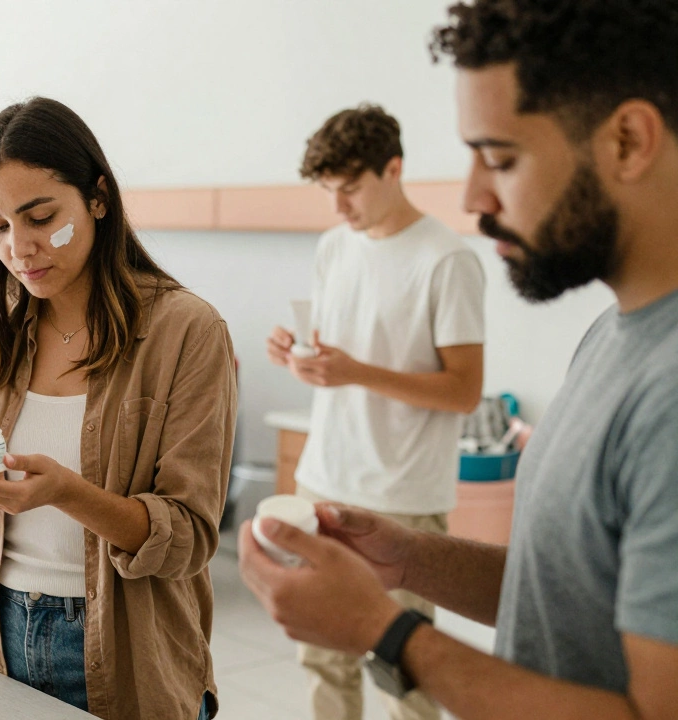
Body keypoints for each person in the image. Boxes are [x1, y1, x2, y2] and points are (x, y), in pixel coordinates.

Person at [240, 2, 678, 719]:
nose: (474, 197)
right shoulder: (612, 334)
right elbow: (564, 588)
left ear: (628, 140)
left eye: (500, 158)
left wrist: (388, 635)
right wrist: (411, 560)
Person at [0, 97, 235, 720]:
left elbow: (189, 537)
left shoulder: (184, 331)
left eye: (40, 217)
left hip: (129, 654)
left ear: (97, 198)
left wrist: (67, 493)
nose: (21, 247)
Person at [264, 104, 485, 720]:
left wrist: (356, 371)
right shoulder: (335, 247)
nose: (338, 207)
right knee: (323, 656)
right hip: (325, 477)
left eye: (350, 189)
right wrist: (296, 353)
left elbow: (464, 391)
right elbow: (338, 352)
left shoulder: (447, 260)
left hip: (405, 492)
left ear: (394, 169)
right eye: (329, 191)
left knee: (403, 665)